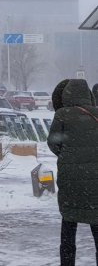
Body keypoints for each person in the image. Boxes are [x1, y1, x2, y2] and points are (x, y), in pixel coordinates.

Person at [48, 79, 98, 265]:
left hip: (71, 179)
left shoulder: (62, 114)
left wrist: (68, 157)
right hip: (95, 180)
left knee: (68, 225)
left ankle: (67, 263)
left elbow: (53, 142)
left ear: (66, 95)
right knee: (96, 221)